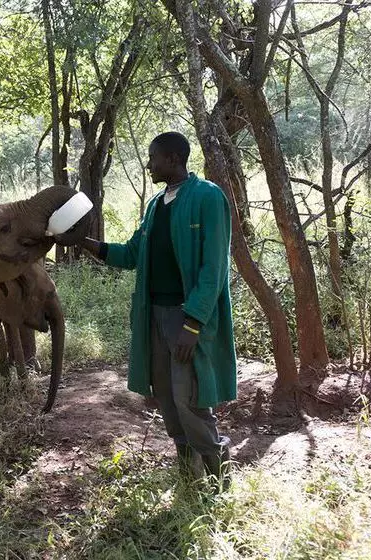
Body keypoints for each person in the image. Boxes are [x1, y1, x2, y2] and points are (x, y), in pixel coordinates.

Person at [79, 131, 237, 491]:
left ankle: (220, 485)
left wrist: (194, 323)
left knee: (191, 400)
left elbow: (215, 267)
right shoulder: (155, 205)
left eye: (153, 158)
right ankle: (189, 480)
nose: (148, 165)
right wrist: (82, 242)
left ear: (172, 158)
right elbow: (131, 254)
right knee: (166, 398)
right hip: (155, 316)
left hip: (188, 319)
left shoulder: (208, 197)